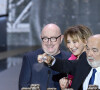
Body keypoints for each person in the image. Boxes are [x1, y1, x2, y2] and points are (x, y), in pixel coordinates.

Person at [19, 23, 70, 90]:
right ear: (41, 38)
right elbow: (23, 87)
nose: (49, 43)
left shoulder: (70, 58)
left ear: (61, 38)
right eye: (45, 38)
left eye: (53, 38)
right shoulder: (30, 58)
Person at [59, 25, 92, 89]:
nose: (70, 46)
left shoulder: (92, 61)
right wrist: (66, 86)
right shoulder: (71, 59)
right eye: (68, 42)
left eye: (74, 42)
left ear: (85, 41)